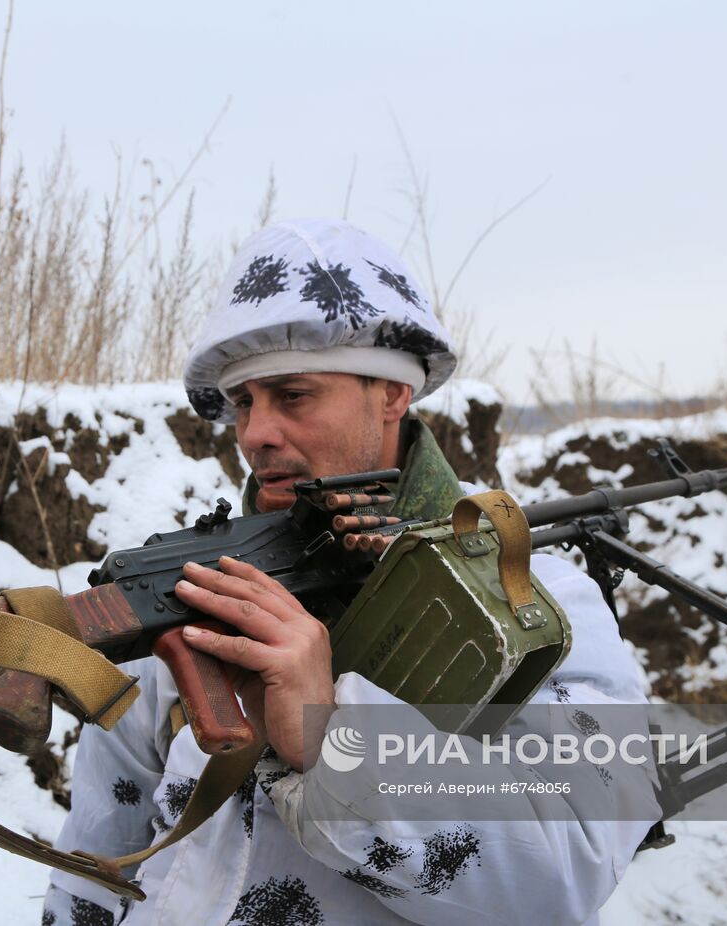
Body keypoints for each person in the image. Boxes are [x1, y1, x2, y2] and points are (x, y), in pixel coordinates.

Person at [43, 219, 657, 926]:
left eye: (292, 395)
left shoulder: (533, 602)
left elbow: (568, 872)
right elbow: (95, 866)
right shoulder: (189, 599)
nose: (255, 433)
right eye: (243, 402)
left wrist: (331, 736)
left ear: (392, 393)